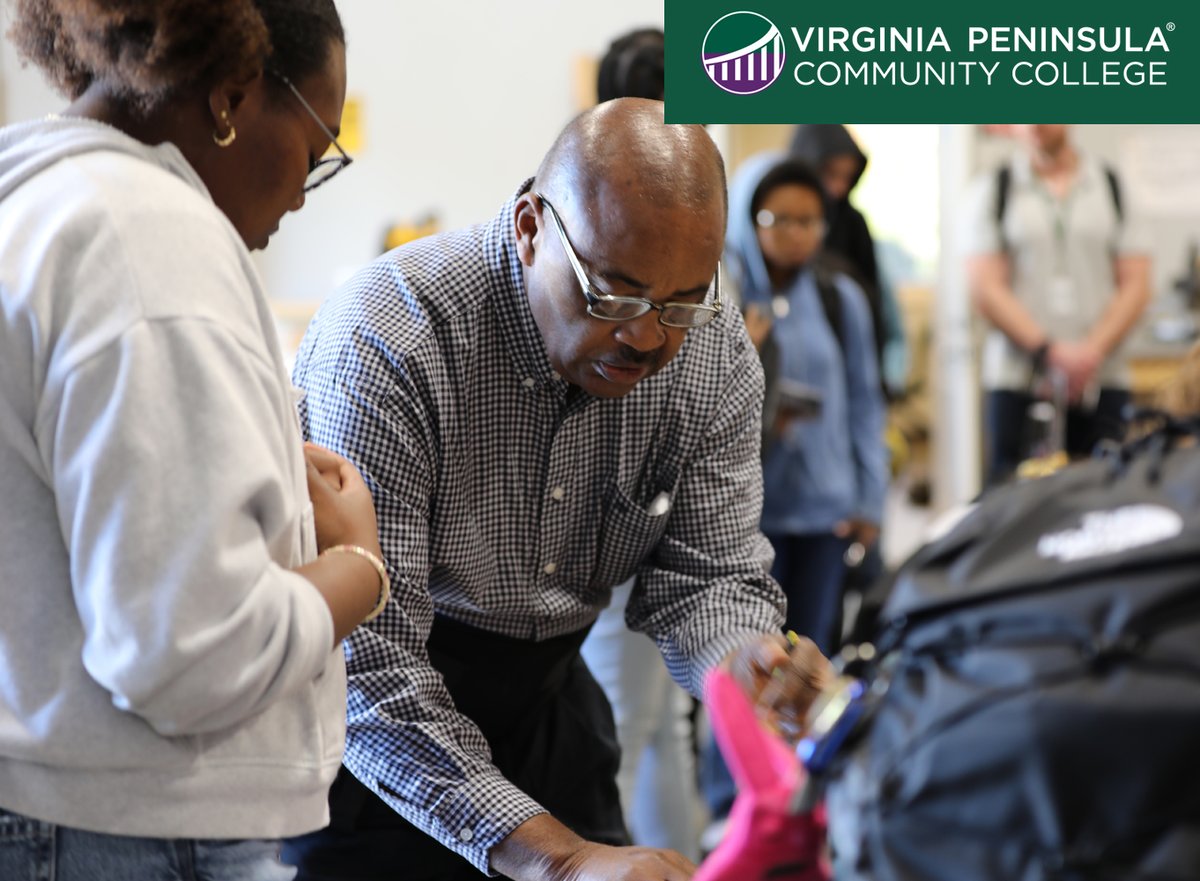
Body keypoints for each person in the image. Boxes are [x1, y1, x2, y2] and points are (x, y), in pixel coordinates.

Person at [282, 98, 830, 881]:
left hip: (550, 710)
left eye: (679, 303)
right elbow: (364, 665)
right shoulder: (392, 337)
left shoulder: (709, 348)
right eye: (614, 294)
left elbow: (705, 578)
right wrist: (563, 860)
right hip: (372, 755)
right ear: (532, 226)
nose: (647, 336)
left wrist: (754, 665)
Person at [0, 2, 387, 879]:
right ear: (235, 95)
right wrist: (358, 566)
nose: (299, 190)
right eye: (316, 150)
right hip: (126, 832)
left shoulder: (40, 202)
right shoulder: (149, 235)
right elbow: (191, 651)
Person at [965, 124, 1152, 486]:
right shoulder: (993, 189)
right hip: (1019, 380)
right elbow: (986, 287)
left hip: (1101, 376)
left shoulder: (1112, 185)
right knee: (1014, 504)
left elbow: (1136, 284)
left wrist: (1088, 354)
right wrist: (1050, 352)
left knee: (1104, 495)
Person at [789, 123, 906, 401]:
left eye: (846, 177)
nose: (838, 188)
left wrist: (889, 373)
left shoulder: (854, 225)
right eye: (830, 175)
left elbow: (881, 304)